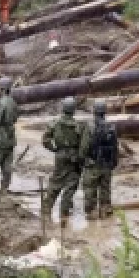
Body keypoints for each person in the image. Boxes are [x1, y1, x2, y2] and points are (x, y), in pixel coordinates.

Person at [40, 97, 90, 229]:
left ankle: (46, 210)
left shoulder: (54, 123)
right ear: (73, 110)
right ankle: (64, 214)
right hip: (74, 157)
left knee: (56, 182)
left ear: (63, 109)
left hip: (60, 156)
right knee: (71, 186)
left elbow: (45, 140)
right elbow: (83, 145)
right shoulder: (79, 126)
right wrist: (80, 158)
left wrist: (54, 148)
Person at [83, 100, 119, 219]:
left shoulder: (89, 127)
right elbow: (115, 147)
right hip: (106, 164)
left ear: (94, 112)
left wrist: (82, 160)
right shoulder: (111, 127)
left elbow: (84, 146)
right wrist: (113, 162)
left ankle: (91, 213)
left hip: (92, 164)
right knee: (105, 189)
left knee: (90, 189)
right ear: (104, 112)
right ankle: (105, 210)